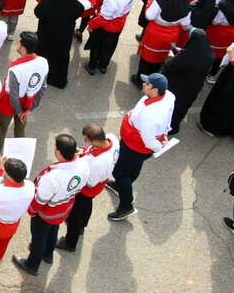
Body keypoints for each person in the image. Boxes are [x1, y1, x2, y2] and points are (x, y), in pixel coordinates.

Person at [12, 133, 88, 275]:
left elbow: (40, 200)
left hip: (47, 212)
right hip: (64, 208)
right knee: (53, 230)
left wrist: (32, 211)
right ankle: (48, 254)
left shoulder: (52, 178)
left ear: (58, 152)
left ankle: (32, 264)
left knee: (39, 238)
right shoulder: (83, 165)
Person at [0, 32, 47, 169]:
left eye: (19, 42)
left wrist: (19, 111)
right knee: (20, 132)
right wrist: (29, 110)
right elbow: (43, 87)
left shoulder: (16, 68)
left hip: (9, 105)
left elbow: (13, 94)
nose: (17, 44)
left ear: (24, 48)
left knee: (0, 133)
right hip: (27, 104)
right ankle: (19, 162)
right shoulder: (43, 63)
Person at [109, 73, 175, 221]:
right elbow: (168, 117)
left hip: (135, 145)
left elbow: (149, 141)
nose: (143, 84)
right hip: (138, 147)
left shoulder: (150, 115)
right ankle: (121, 186)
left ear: (155, 90)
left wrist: (160, 147)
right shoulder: (169, 96)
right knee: (134, 166)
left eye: (147, 84)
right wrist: (164, 132)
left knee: (119, 171)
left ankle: (126, 206)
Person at [60, 124, 119, 251]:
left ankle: (70, 243)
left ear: (96, 141)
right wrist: (84, 151)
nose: (86, 142)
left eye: (87, 140)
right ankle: (82, 225)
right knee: (87, 205)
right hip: (97, 186)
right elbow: (92, 151)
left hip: (88, 188)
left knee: (75, 214)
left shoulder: (97, 163)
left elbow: (90, 182)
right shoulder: (111, 139)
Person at [35, 0, 88, 88]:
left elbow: (37, 12)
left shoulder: (48, 0)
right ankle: (57, 80)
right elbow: (82, 9)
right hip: (62, 38)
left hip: (45, 34)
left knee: (43, 54)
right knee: (60, 57)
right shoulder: (74, 5)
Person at [136, 0, 192, 80]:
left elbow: (149, 16)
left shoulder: (160, 0)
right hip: (172, 34)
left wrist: (150, 1)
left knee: (146, 58)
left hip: (155, 33)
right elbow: (185, 25)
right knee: (161, 59)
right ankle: (153, 79)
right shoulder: (187, 5)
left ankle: (140, 80)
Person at [84, 0, 136, 75]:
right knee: (109, 47)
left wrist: (91, 25)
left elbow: (103, 18)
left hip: (105, 27)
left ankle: (92, 66)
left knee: (96, 46)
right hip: (119, 25)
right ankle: (103, 66)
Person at [163, 27, 213, 134]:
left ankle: (167, 127)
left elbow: (170, 67)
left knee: (172, 107)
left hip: (178, 87)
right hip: (194, 87)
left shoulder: (186, 57)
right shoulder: (209, 55)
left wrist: (171, 57)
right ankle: (175, 126)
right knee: (183, 107)